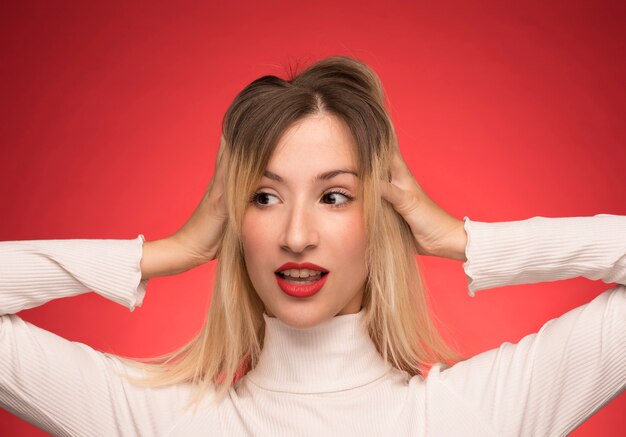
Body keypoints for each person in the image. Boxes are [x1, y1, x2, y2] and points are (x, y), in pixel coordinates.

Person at [1, 55, 624, 436]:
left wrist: (462, 240)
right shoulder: (159, 421)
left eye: (334, 196)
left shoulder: (475, 414)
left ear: (379, 216)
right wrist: (171, 251)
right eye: (265, 197)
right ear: (233, 220)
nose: (296, 236)